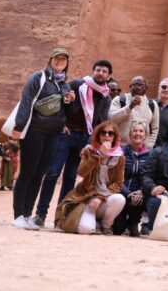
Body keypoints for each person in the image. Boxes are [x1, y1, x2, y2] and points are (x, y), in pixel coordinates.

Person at [33, 58, 112, 228]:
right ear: (93, 71)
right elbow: (61, 102)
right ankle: (40, 214)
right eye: (98, 70)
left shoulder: (106, 96)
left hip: (84, 139)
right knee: (53, 173)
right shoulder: (78, 84)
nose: (100, 73)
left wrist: (93, 143)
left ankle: (59, 217)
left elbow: (102, 121)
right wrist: (61, 124)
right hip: (66, 135)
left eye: (104, 71)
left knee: (70, 178)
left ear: (109, 76)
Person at [11, 48, 72, 228]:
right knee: (27, 173)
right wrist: (19, 127)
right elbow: (26, 101)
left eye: (64, 59)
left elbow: (63, 109)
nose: (60, 61)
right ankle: (18, 215)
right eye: (57, 58)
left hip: (53, 133)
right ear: (50, 59)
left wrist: (69, 102)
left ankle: (28, 215)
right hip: (34, 130)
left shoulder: (64, 84)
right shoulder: (38, 77)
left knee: (39, 174)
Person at [54, 122, 126, 235]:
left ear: (115, 137)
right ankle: (93, 223)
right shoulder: (88, 151)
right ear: (98, 136)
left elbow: (118, 183)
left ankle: (106, 225)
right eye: (103, 133)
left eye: (110, 133)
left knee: (120, 199)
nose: (107, 136)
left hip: (104, 199)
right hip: (87, 198)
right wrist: (99, 154)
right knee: (85, 230)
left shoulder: (120, 157)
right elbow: (81, 172)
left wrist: (100, 197)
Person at [115, 121, 152, 237]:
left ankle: (134, 222)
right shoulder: (121, 151)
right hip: (122, 191)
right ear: (130, 134)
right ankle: (120, 222)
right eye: (135, 131)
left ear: (145, 135)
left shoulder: (151, 153)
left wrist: (141, 191)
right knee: (117, 229)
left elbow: (151, 176)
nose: (138, 134)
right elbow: (116, 176)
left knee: (139, 198)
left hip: (139, 195)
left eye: (141, 131)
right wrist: (127, 193)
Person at [108, 75, 159, 148]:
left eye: (142, 85)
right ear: (130, 86)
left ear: (147, 88)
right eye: (136, 84)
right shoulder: (119, 100)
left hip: (142, 150)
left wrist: (149, 146)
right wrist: (129, 107)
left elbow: (155, 128)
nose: (139, 87)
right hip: (121, 148)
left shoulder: (152, 104)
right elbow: (112, 120)